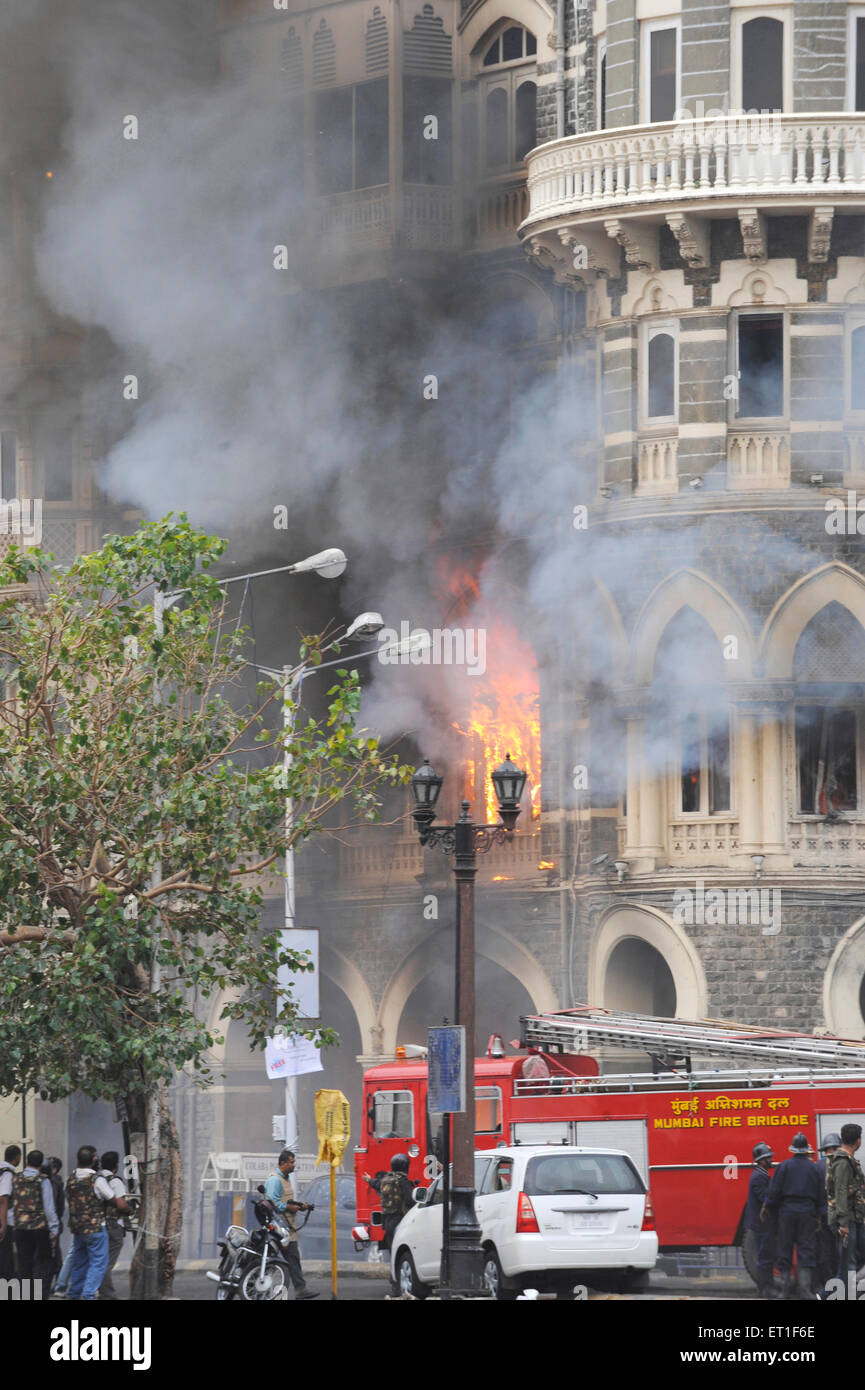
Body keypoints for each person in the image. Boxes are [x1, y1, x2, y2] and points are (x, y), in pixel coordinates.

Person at [65, 1145, 128, 1301]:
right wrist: (129, 1210)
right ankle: (88, 1295)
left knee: (79, 1263)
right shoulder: (97, 1180)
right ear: (94, 1159)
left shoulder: (71, 1178)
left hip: (78, 1229)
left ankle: (74, 1294)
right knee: (98, 1263)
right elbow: (115, 1200)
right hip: (95, 1228)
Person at [764, 1132, 822, 1300]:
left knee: (785, 1249)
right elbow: (820, 1195)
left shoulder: (784, 1166)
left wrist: (767, 1206)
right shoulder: (814, 1167)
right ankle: (805, 1290)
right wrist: (818, 1215)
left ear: (793, 1149)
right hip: (807, 1212)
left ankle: (785, 1290)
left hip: (787, 1212)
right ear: (805, 1150)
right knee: (806, 1249)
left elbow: (774, 1192)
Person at [263, 1149, 318, 1301]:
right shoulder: (275, 1180)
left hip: (287, 1227)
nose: (294, 1165)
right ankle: (297, 1289)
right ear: (282, 1164)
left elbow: (286, 1201)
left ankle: (299, 1289)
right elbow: (273, 1203)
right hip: (280, 1228)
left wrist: (300, 1206)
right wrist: (289, 1208)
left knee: (292, 1258)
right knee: (282, 1259)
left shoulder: (284, 1178)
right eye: (291, 1162)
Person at [11, 1149, 58, 1295]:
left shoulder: (16, 1178)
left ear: (27, 1161)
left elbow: (13, 1202)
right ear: (41, 1163)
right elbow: (49, 1208)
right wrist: (54, 1229)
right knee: (44, 1264)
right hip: (39, 1228)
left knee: (24, 1265)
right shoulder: (43, 1180)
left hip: (20, 1228)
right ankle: (40, 1295)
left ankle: (26, 1296)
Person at [827, 1122, 865, 1297]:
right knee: (848, 1264)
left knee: (847, 1264)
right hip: (847, 1219)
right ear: (858, 1141)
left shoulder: (846, 1159)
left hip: (853, 1217)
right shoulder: (842, 1161)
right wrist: (843, 1223)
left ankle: (825, 1294)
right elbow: (841, 1192)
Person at [362, 1153, 415, 1253]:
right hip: (400, 1219)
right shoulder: (403, 1181)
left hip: (387, 1220)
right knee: (402, 1249)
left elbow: (377, 1184)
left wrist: (369, 1180)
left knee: (392, 1249)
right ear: (405, 1166)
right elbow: (410, 1200)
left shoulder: (386, 1180)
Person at [745, 1142, 777, 1299]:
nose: (771, 1159)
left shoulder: (761, 1174)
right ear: (761, 1159)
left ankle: (765, 1288)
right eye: (768, 1157)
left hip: (762, 1225)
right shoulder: (759, 1177)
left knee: (766, 1257)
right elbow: (765, 1198)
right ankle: (764, 1289)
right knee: (764, 1258)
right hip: (762, 1225)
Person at [97, 1152, 128, 1301]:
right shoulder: (115, 1182)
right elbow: (122, 1205)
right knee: (107, 1262)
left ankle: (95, 1290)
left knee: (97, 1260)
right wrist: (130, 1210)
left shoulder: (95, 1178)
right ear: (116, 1165)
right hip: (113, 1225)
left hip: (96, 1225)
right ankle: (107, 1294)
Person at [0, 1144, 21, 1279]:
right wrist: (3, 1224)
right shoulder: (8, 1173)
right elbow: (3, 1198)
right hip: (4, 1218)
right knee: (5, 1254)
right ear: (18, 1157)